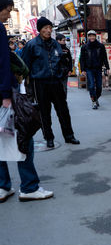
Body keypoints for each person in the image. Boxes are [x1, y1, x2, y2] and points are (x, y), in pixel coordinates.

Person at [0, 0, 53, 202]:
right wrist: (6, 94)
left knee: (1, 140)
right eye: (7, 10)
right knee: (24, 135)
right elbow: (3, 64)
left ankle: (3, 187)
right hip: (5, 94)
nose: (8, 14)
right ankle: (29, 186)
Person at [21, 17, 80, 148]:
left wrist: (63, 71)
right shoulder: (31, 45)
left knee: (63, 110)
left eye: (50, 28)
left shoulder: (55, 44)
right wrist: (29, 85)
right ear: (39, 30)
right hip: (40, 83)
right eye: (45, 28)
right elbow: (25, 66)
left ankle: (69, 136)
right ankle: (49, 137)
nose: (48, 31)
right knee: (44, 112)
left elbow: (62, 60)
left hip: (56, 81)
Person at [80, 30, 109, 109]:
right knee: (91, 86)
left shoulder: (100, 46)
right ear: (88, 37)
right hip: (89, 69)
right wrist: (82, 70)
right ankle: (93, 101)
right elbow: (82, 59)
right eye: (90, 36)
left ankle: (96, 98)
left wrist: (107, 67)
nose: (92, 37)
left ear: (95, 36)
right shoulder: (84, 47)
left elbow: (104, 57)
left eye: (93, 36)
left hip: (98, 68)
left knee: (99, 87)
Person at [56, 33, 72, 97]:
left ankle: (63, 100)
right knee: (57, 87)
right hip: (56, 71)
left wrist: (70, 70)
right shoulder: (54, 49)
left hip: (65, 70)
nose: (64, 42)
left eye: (64, 40)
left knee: (64, 87)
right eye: (63, 40)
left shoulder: (67, 50)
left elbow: (70, 60)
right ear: (58, 41)